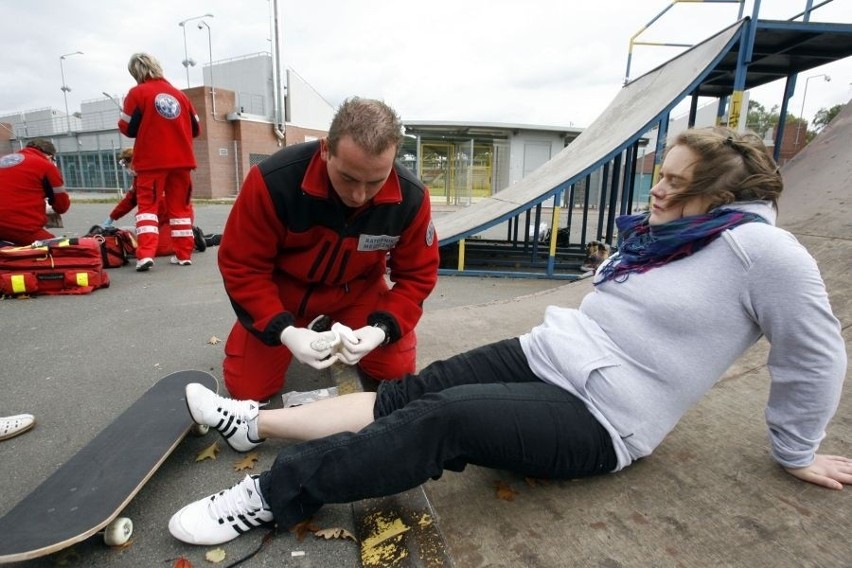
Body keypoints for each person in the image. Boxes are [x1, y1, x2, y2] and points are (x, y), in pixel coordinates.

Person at [169, 126, 849, 547]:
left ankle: (269, 497)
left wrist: (795, 448)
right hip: (550, 355)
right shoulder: (664, 238)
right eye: (660, 175)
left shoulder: (764, 253)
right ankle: (252, 425)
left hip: (606, 416)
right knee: (413, 391)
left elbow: (814, 352)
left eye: (675, 183)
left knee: (445, 418)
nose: (658, 192)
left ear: (721, 197)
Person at [217, 97, 440, 402]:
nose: (360, 195)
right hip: (284, 292)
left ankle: (329, 325)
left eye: (376, 181)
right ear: (326, 150)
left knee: (396, 370)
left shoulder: (411, 198)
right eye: (348, 178)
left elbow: (418, 275)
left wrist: (381, 328)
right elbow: (242, 266)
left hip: (357, 290)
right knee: (249, 390)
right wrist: (284, 331)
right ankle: (298, 328)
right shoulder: (274, 182)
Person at [118, 52, 200, 272]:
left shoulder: (137, 93)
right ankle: (184, 254)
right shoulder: (180, 96)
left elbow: (128, 128)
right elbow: (196, 127)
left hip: (152, 162)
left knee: (147, 208)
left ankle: (145, 255)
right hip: (182, 160)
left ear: (136, 73)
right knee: (181, 209)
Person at [100, 148, 215, 255]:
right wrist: (111, 218)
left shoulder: (158, 173)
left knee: (161, 249)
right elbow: (129, 201)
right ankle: (187, 237)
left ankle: (193, 237)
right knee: (146, 245)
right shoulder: (138, 179)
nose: (126, 168)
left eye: (126, 164)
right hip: (157, 220)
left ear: (134, 161)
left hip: (173, 219)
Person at [0, 139, 68, 246]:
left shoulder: (4, 160)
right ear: (49, 156)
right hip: (20, 227)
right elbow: (62, 206)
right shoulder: (46, 166)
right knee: (58, 249)